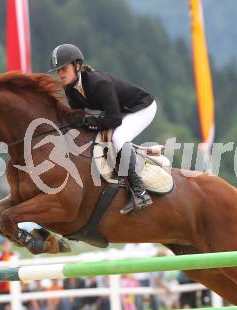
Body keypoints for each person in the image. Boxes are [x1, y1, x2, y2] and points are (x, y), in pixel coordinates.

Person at [48, 44, 157, 214]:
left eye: (64, 68)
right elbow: (79, 117)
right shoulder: (70, 89)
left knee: (118, 138)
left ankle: (140, 192)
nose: (60, 73)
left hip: (143, 108)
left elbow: (113, 119)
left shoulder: (99, 83)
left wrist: (87, 121)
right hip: (122, 112)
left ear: (77, 66)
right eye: (58, 70)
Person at [0, 239, 20, 310]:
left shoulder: (15, 256)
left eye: (8, 244)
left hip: (13, 286)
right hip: (2, 288)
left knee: (15, 306)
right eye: (5, 244)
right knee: (3, 308)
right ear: (2, 246)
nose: (7, 246)